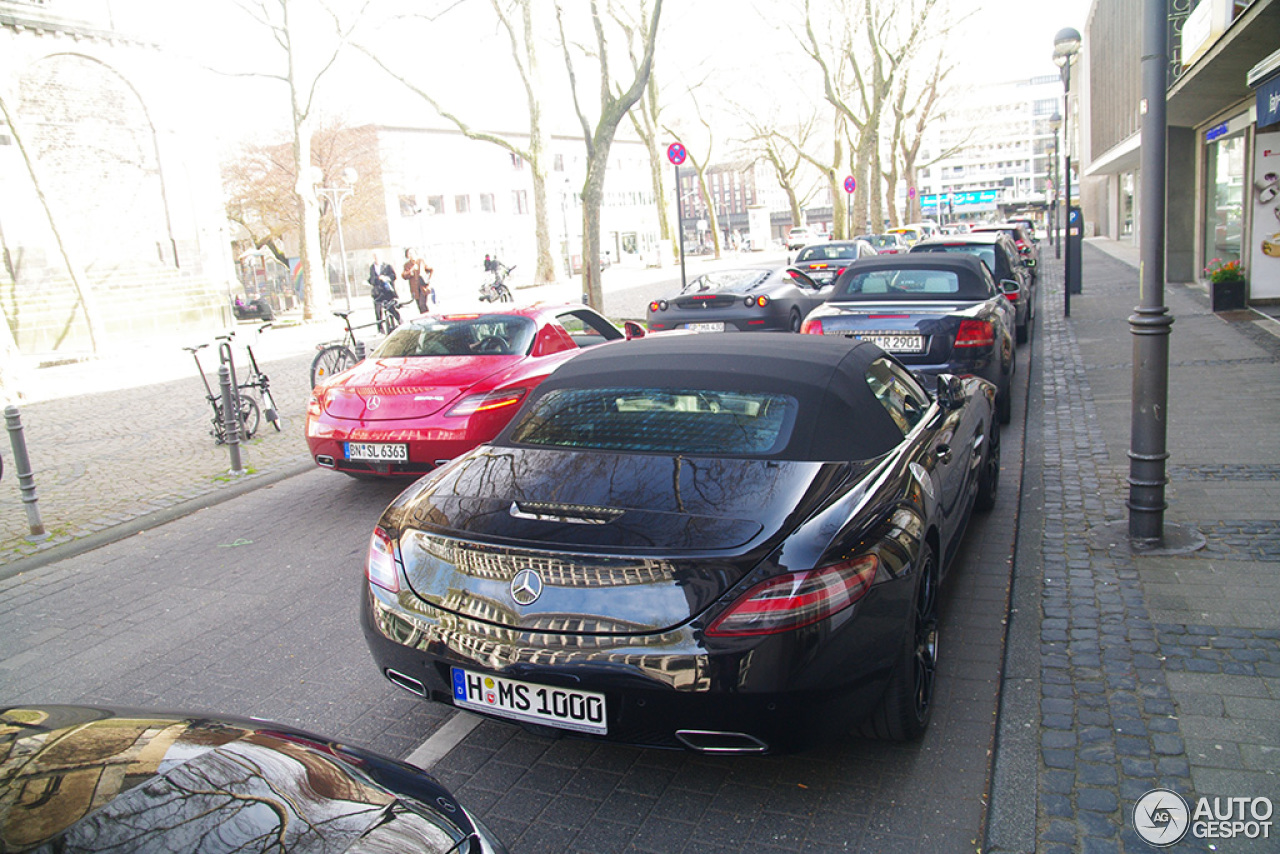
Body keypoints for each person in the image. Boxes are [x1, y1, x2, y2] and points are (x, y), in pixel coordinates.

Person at [368, 252, 397, 324]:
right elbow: (371, 279)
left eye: (378, 257)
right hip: (377, 292)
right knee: (377, 311)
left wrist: (386, 278)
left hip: (387, 291)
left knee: (391, 309)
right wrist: (376, 279)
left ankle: (399, 322)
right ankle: (380, 329)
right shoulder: (372, 267)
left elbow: (393, 276)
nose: (377, 259)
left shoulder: (387, 266)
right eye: (375, 257)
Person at [403, 248, 434, 314]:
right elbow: (404, 276)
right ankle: (424, 319)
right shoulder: (407, 265)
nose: (411, 255)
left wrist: (429, 279)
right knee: (419, 306)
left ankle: (428, 317)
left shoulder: (420, 261)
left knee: (422, 304)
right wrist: (411, 271)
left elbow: (430, 269)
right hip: (415, 289)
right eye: (409, 254)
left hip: (423, 287)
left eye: (412, 253)